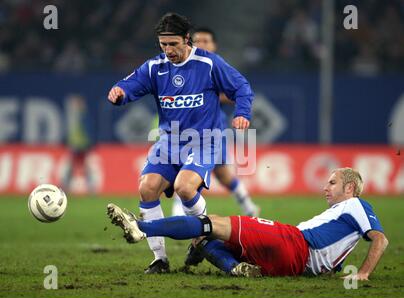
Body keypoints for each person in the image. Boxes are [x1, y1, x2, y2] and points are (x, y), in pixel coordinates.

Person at [107, 13, 253, 274]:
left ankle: (202, 236)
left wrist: (242, 113)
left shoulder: (208, 63)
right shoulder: (155, 67)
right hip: (169, 142)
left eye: (173, 44)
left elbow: (241, 87)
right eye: (163, 44)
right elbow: (130, 85)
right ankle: (160, 260)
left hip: (203, 141)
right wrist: (119, 93)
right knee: (147, 188)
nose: (168, 50)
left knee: (185, 188)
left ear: (187, 39)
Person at [106, 168, 388, 279]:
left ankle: (141, 228)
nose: (326, 187)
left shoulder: (356, 205)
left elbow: (380, 239)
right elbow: (333, 256)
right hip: (293, 265)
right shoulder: (342, 220)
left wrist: (362, 273)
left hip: (294, 243)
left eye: (333, 182)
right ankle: (238, 268)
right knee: (207, 239)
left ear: (350, 187)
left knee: (210, 223)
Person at [171, 27, 260, 218]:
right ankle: (247, 205)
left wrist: (210, 96)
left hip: (212, 128)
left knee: (219, 173)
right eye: (198, 41)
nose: (201, 45)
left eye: (206, 41)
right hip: (185, 126)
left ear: (214, 45)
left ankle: (246, 204)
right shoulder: (182, 65)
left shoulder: (217, 66)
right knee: (215, 171)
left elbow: (236, 91)